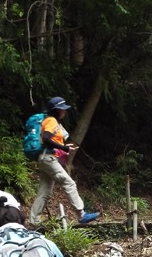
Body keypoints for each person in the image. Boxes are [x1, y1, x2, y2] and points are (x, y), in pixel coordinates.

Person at [28, 97, 100, 226]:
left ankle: (33, 222)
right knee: (69, 183)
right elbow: (46, 138)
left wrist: (64, 149)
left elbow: (49, 139)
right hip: (48, 158)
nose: (64, 112)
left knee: (45, 191)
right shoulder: (51, 121)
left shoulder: (49, 120)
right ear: (57, 110)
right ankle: (81, 214)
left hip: (46, 158)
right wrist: (64, 148)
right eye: (63, 109)